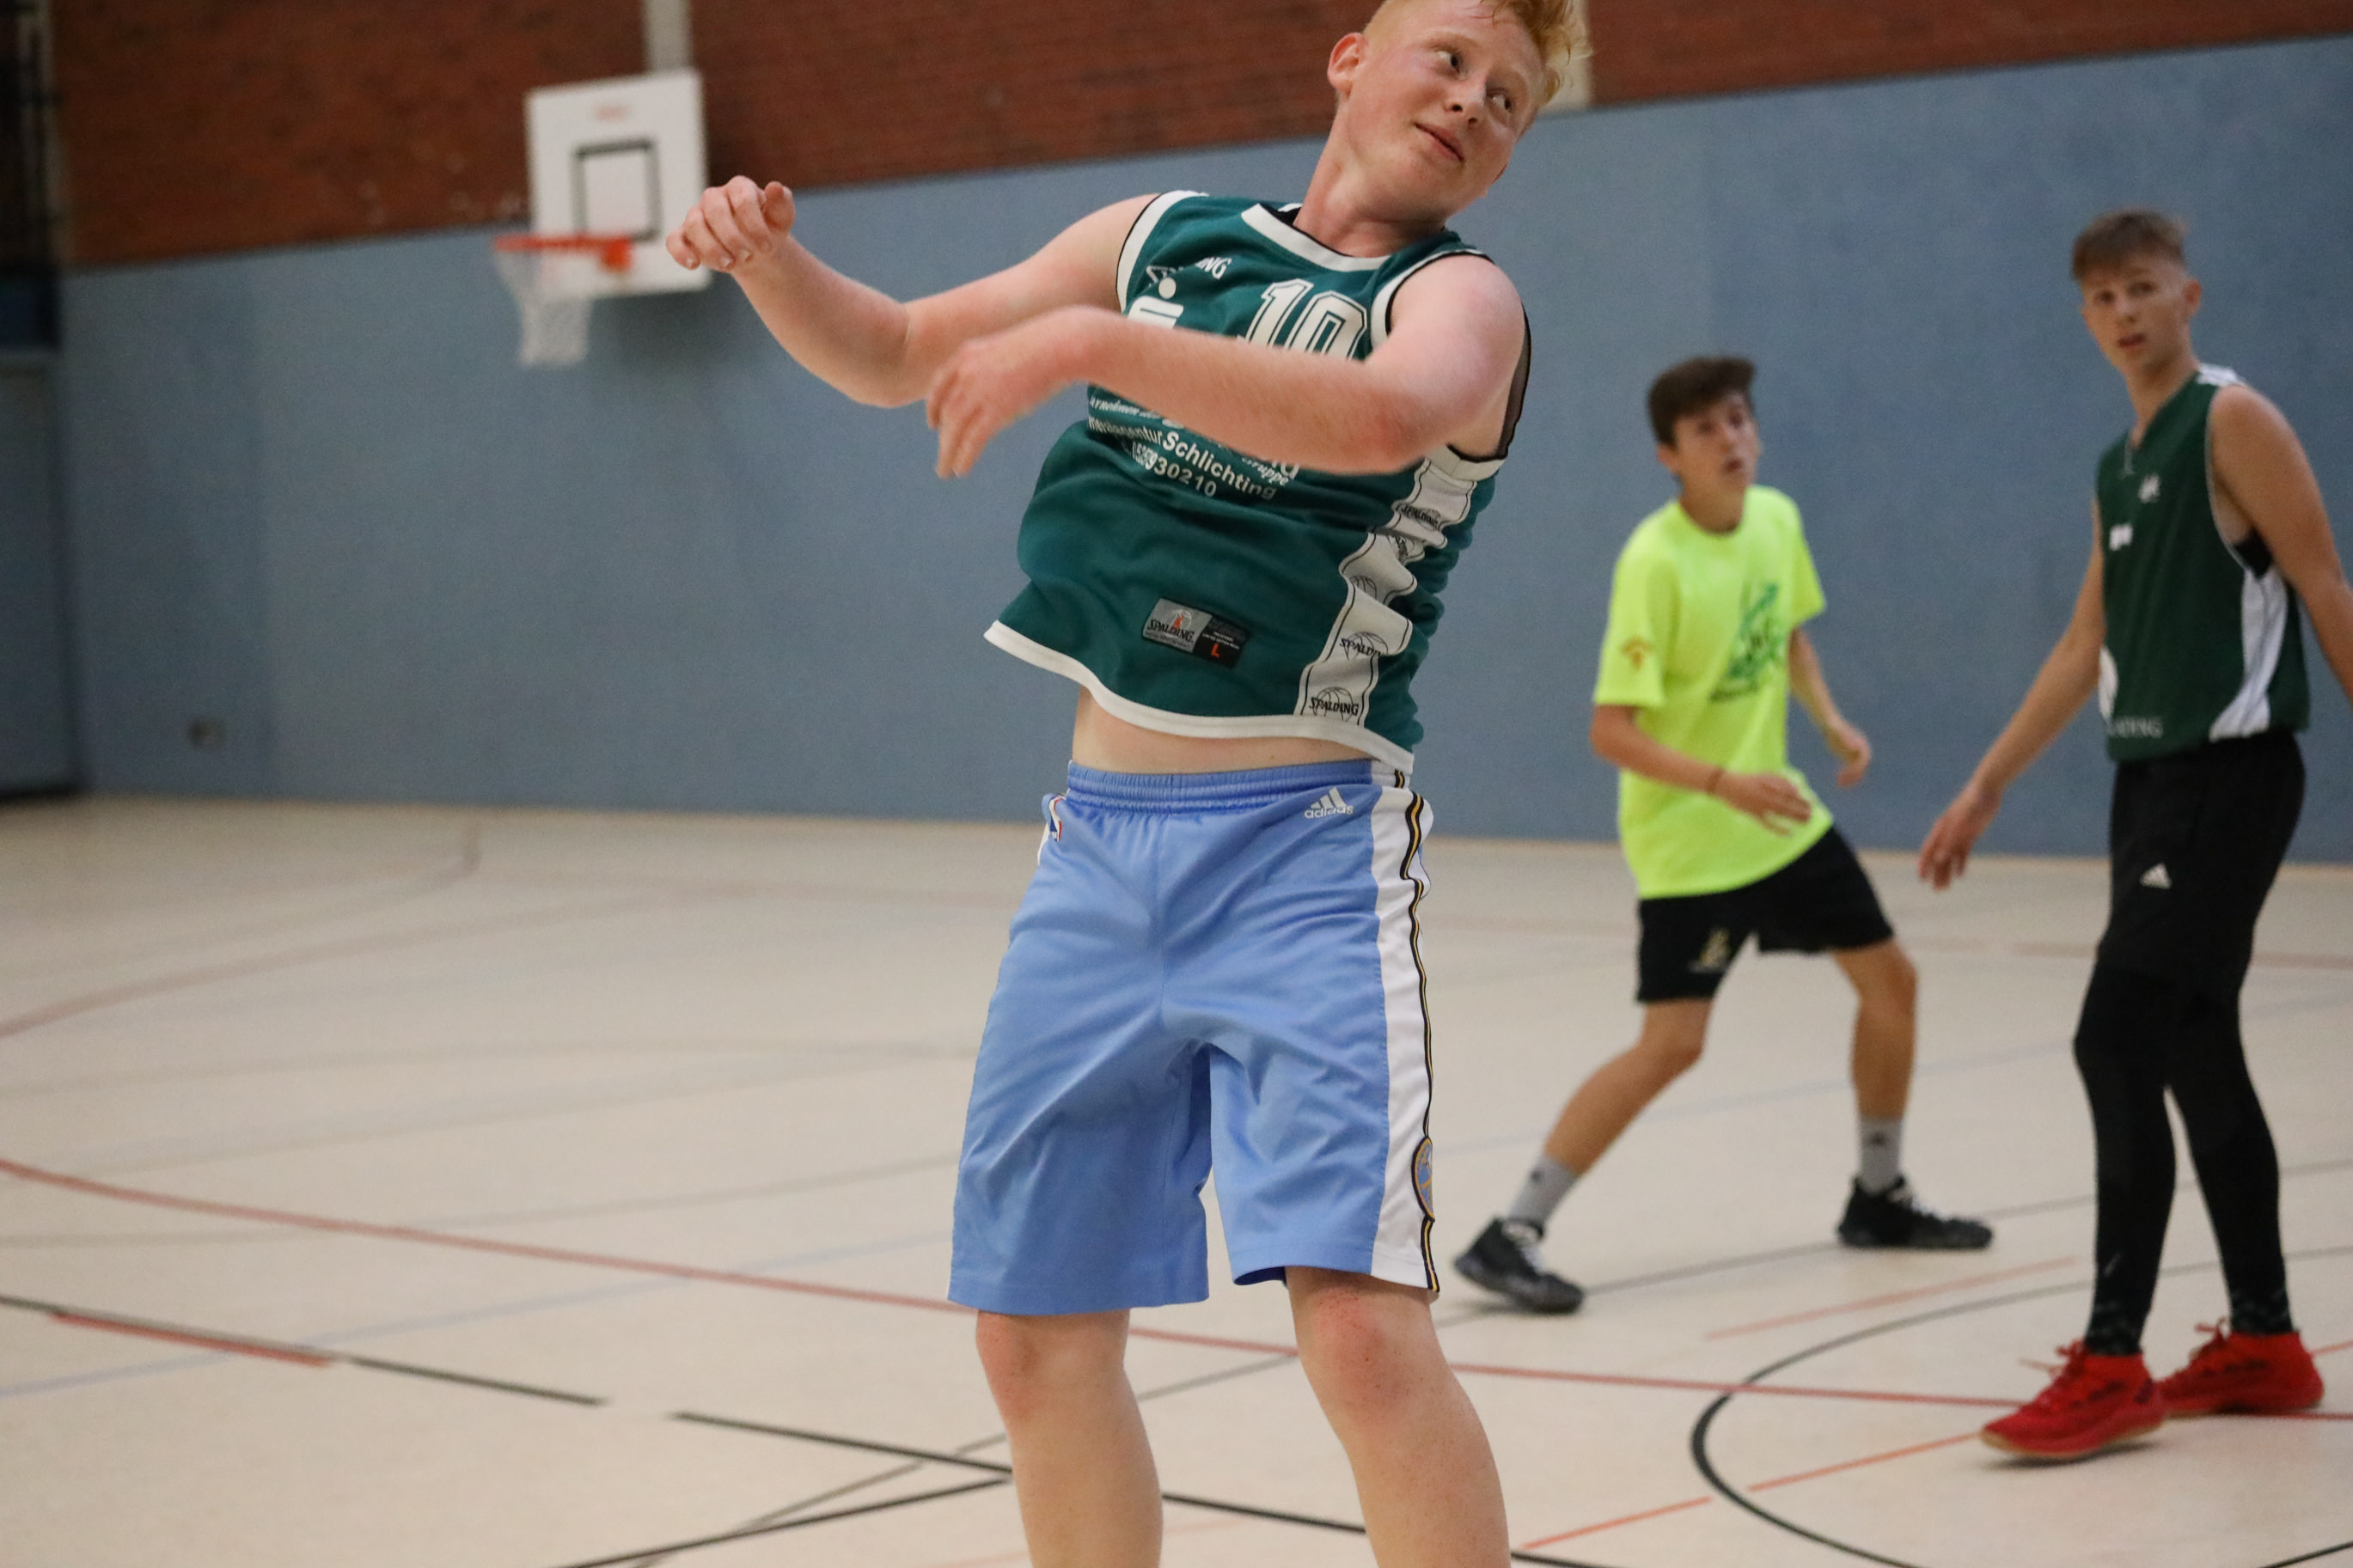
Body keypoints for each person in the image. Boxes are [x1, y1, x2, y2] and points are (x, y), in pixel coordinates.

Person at [665, 3, 1578, 1561]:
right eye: (1449, 58)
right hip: (1096, 851)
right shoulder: (1162, 237)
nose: (1471, 103)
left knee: (1359, 1334)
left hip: (1301, 855)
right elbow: (895, 351)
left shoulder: (1458, 299)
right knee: (1032, 1339)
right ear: (1350, 55)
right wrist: (767, 264)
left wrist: (1093, 345)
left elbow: (1378, 421)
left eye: (1510, 101)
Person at [1922, 210, 2350, 1461]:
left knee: (2114, 1037)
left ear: (2186, 297)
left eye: (2142, 288)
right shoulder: (2119, 465)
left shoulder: (2232, 421)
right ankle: (2264, 1340)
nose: (2122, 311)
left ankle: (2112, 1360)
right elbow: (2080, 646)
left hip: (2229, 776)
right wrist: (1985, 785)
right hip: (2147, 783)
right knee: (2192, 1047)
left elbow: (2322, 582)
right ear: (2084, 316)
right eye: (2101, 295)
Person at [1456, 357, 1991, 1315]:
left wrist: (1828, 721)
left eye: (1738, 419)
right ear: (1669, 456)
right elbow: (1610, 730)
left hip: (1778, 818)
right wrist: (1720, 783)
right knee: (1672, 1044)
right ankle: (1512, 1231)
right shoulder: (1654, 562)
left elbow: (1785, 634)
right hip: (1693, 842)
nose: (1730, 439)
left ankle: (1878, 1194)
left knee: (1891, 985)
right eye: (1704, 429)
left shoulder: (1775, 520)